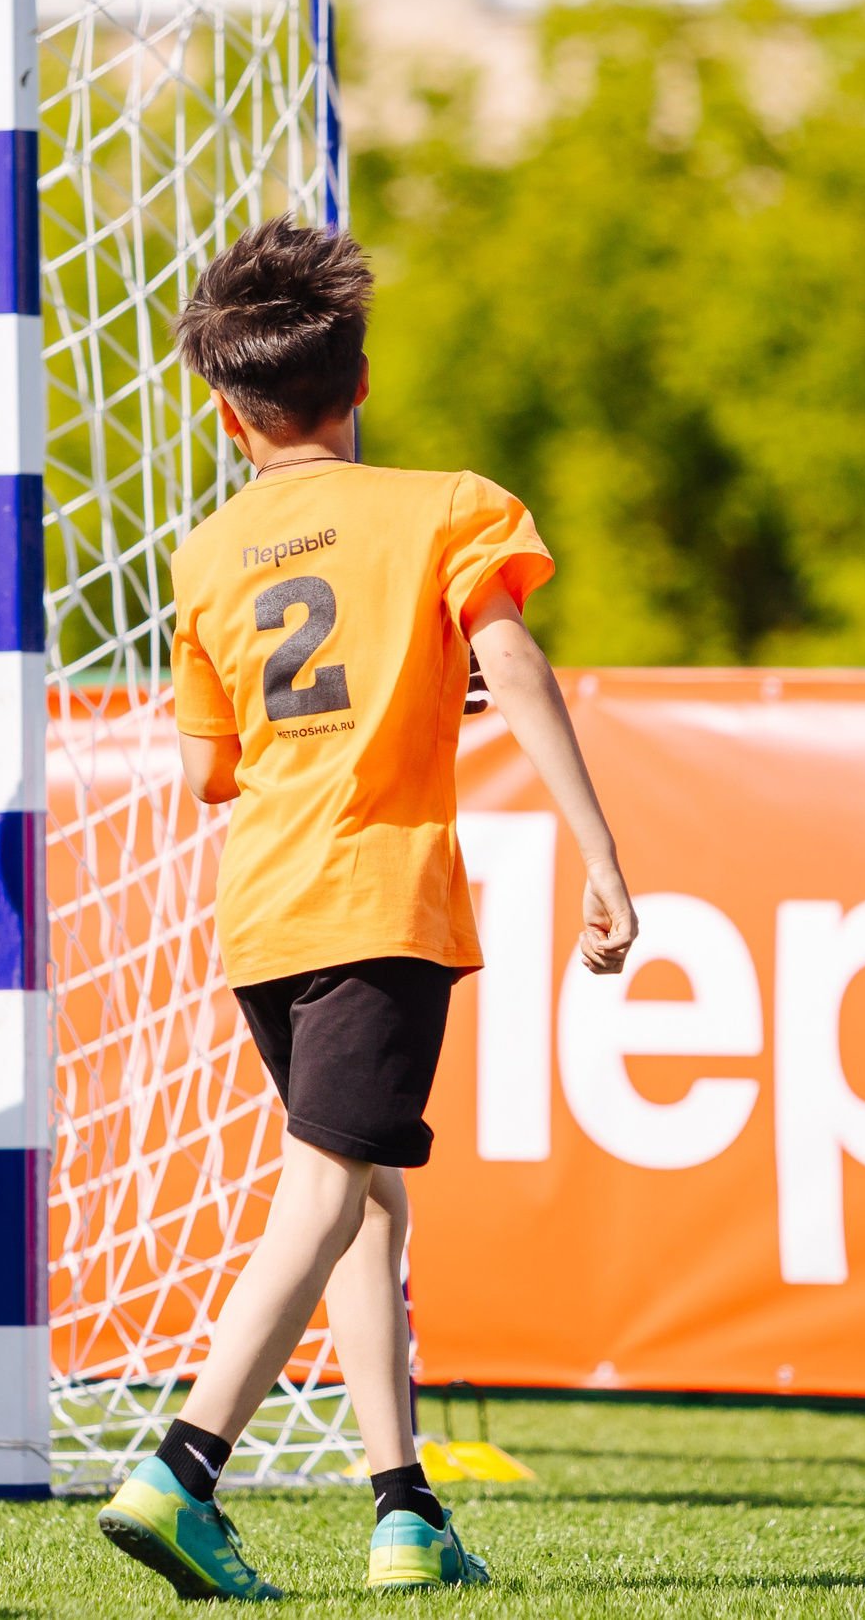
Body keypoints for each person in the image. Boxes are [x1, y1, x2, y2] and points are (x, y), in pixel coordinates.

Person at [95, 217, 639, 1597]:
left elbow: (212, 770)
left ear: (227, 415)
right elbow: (510, 665)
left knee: (372, 1199)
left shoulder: (208, 553)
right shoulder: (450, 504)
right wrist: (604, 858)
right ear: (365, 380)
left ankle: (404, 1509)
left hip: (264, 908)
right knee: (329, 1184)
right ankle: (183, 1468)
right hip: (378, 893)